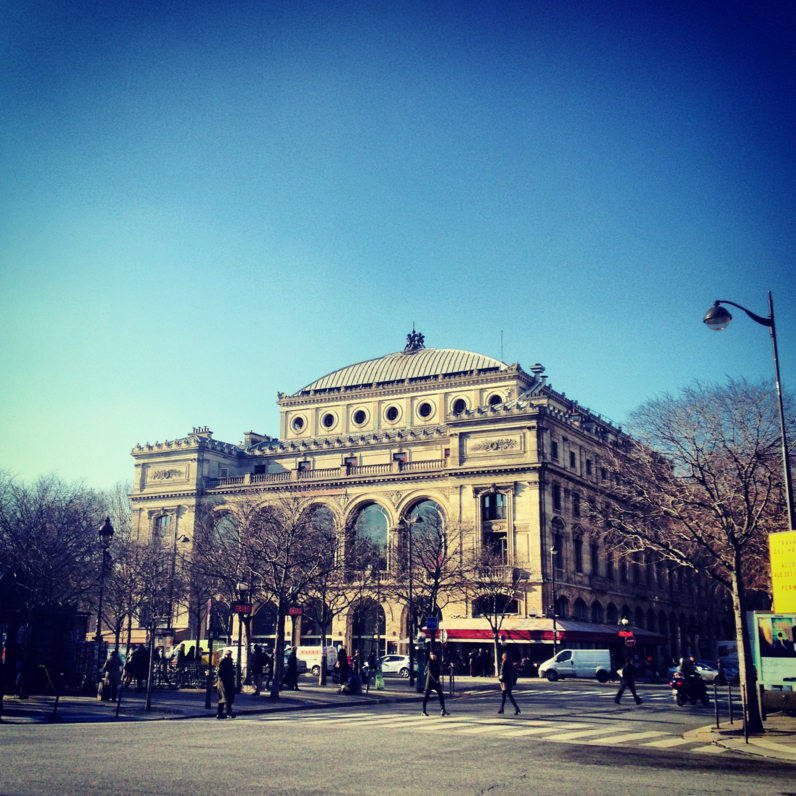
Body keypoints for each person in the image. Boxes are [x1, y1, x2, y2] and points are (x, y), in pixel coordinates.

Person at [421, 652, 449, 717]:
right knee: (426, 696)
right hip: (430, 681)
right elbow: (430, 672)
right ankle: (423, 711)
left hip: (436, 681)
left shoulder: (437, 662)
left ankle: (443, 709)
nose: (433, 656)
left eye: (434, 655)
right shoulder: (429, 662)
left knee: (441, 695)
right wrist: (435, 679)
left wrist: (437, 679)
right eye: (432, 655)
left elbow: (438, 671)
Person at [216, 650, 236, 719]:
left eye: (229, 655)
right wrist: (224, 679)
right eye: (227, 655)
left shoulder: (229, 662)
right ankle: (220, 713)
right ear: (225, 655)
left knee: (228, 699)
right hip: (223, 683)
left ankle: (227, 713)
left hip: (229, 682)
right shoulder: (223, 662)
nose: (229, 656)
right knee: (223, 699)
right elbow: (219, 672)